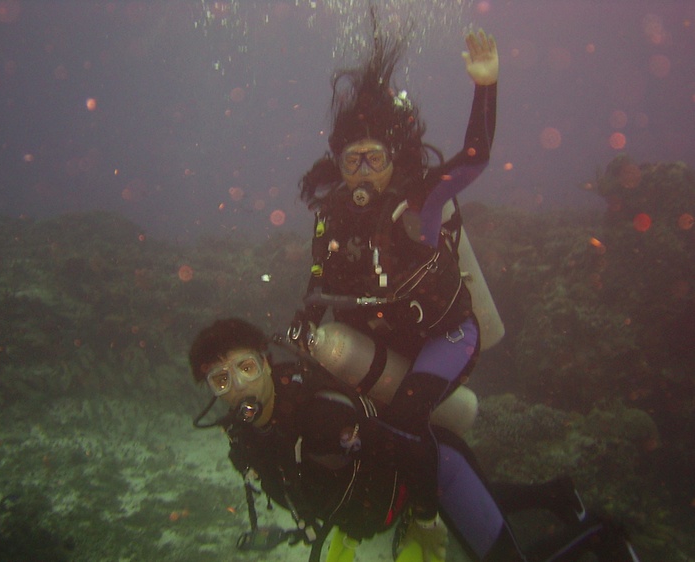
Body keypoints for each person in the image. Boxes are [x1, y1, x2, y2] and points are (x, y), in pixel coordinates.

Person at [291, 17, 500, 550]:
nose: (363, 173)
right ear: (339, 163)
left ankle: (426, 520)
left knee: (404, 418)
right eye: (352, 160)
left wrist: (485, 84)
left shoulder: (420, 204)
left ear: (394, 160)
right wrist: (305, 324)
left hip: (446, 337)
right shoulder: (330, 215)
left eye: (375, 159)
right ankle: (372, 509)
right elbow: (317, 279)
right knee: (337, 416)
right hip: (382, 343)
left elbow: (473, 159)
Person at [189, 318, 640, 562]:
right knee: (481, 509)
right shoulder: (246, 440)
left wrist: (426, 521)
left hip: (436, 466)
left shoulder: (322, 417)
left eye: (246, 368)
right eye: (221, 380)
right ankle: (555, 494)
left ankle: (601, 531)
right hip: (398, 489)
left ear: (267, 364)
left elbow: (414, 452)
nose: (239, 387)